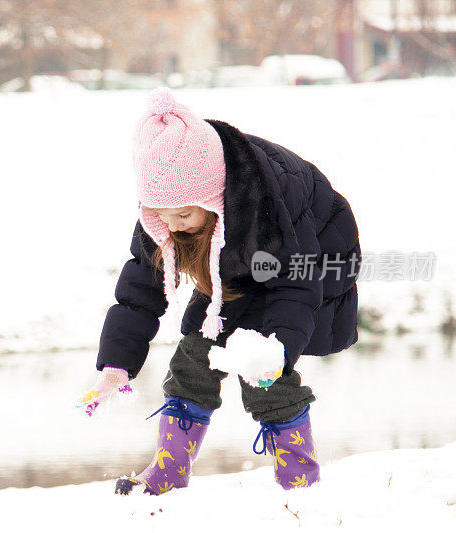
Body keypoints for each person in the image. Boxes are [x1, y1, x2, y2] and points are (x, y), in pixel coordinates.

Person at [77, 87, 361, 495]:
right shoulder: (167, 212)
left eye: (183, 214)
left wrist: (277, 349)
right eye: (161, 215)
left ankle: (300, 476)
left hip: (314, 255)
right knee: (197, 351)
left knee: (259, 365)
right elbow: (139, 288)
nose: (172, 225)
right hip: (239, 259)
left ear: (212, 199)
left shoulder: (265, 198)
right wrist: (116, 366)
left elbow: (294, 285)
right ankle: (168, 470)